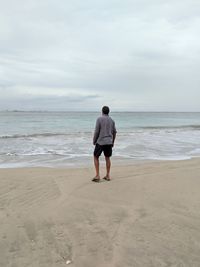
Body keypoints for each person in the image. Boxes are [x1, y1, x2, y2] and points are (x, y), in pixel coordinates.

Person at [92, 106, 117, 182]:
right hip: (109, 142)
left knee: (96, 156)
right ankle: (108, 175)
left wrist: (94, 140)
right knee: (107, 158)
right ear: (108, 112)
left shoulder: (99, 119)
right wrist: (113, 142)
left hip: (100, 141)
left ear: (102, 111)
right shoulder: (112, 121)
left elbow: (97, 131)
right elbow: (114, 132)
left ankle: (97, 175)